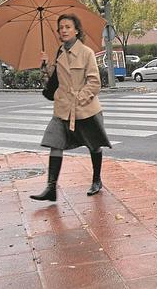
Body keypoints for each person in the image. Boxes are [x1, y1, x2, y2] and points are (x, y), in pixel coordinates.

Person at [30, 13, 111, 202]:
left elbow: (94, 82)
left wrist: (80, 98)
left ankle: (97, 180)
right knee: (54, 143)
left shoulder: (86, 53)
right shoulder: (60, 52)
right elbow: (56, 79)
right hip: (62, 109)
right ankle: (51, 188)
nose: (64, 30)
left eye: (68, 27)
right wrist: (45, 65)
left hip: (85, 109)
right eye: (61, 28)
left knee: (94, 145)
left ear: (76, 30)